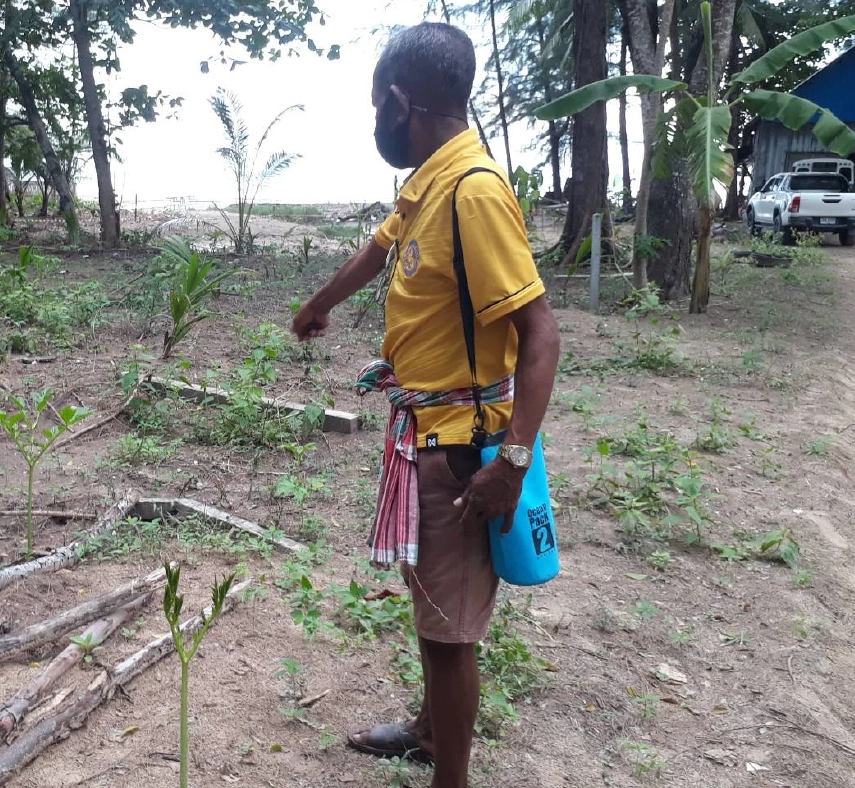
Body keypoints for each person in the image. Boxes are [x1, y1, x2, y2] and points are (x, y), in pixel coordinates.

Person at [290, 23, 561, 788]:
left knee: (450, 635)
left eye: (378, 105)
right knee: (433, 608)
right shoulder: (429, 183)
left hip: (464, 450)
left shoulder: (473, 192)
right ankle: (426, 727)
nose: (377, 120)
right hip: (422, 433)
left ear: (403, 101)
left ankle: (451, 775)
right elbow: (380, 246)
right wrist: (320, 303)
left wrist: (510, 462)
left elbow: (541, 336)